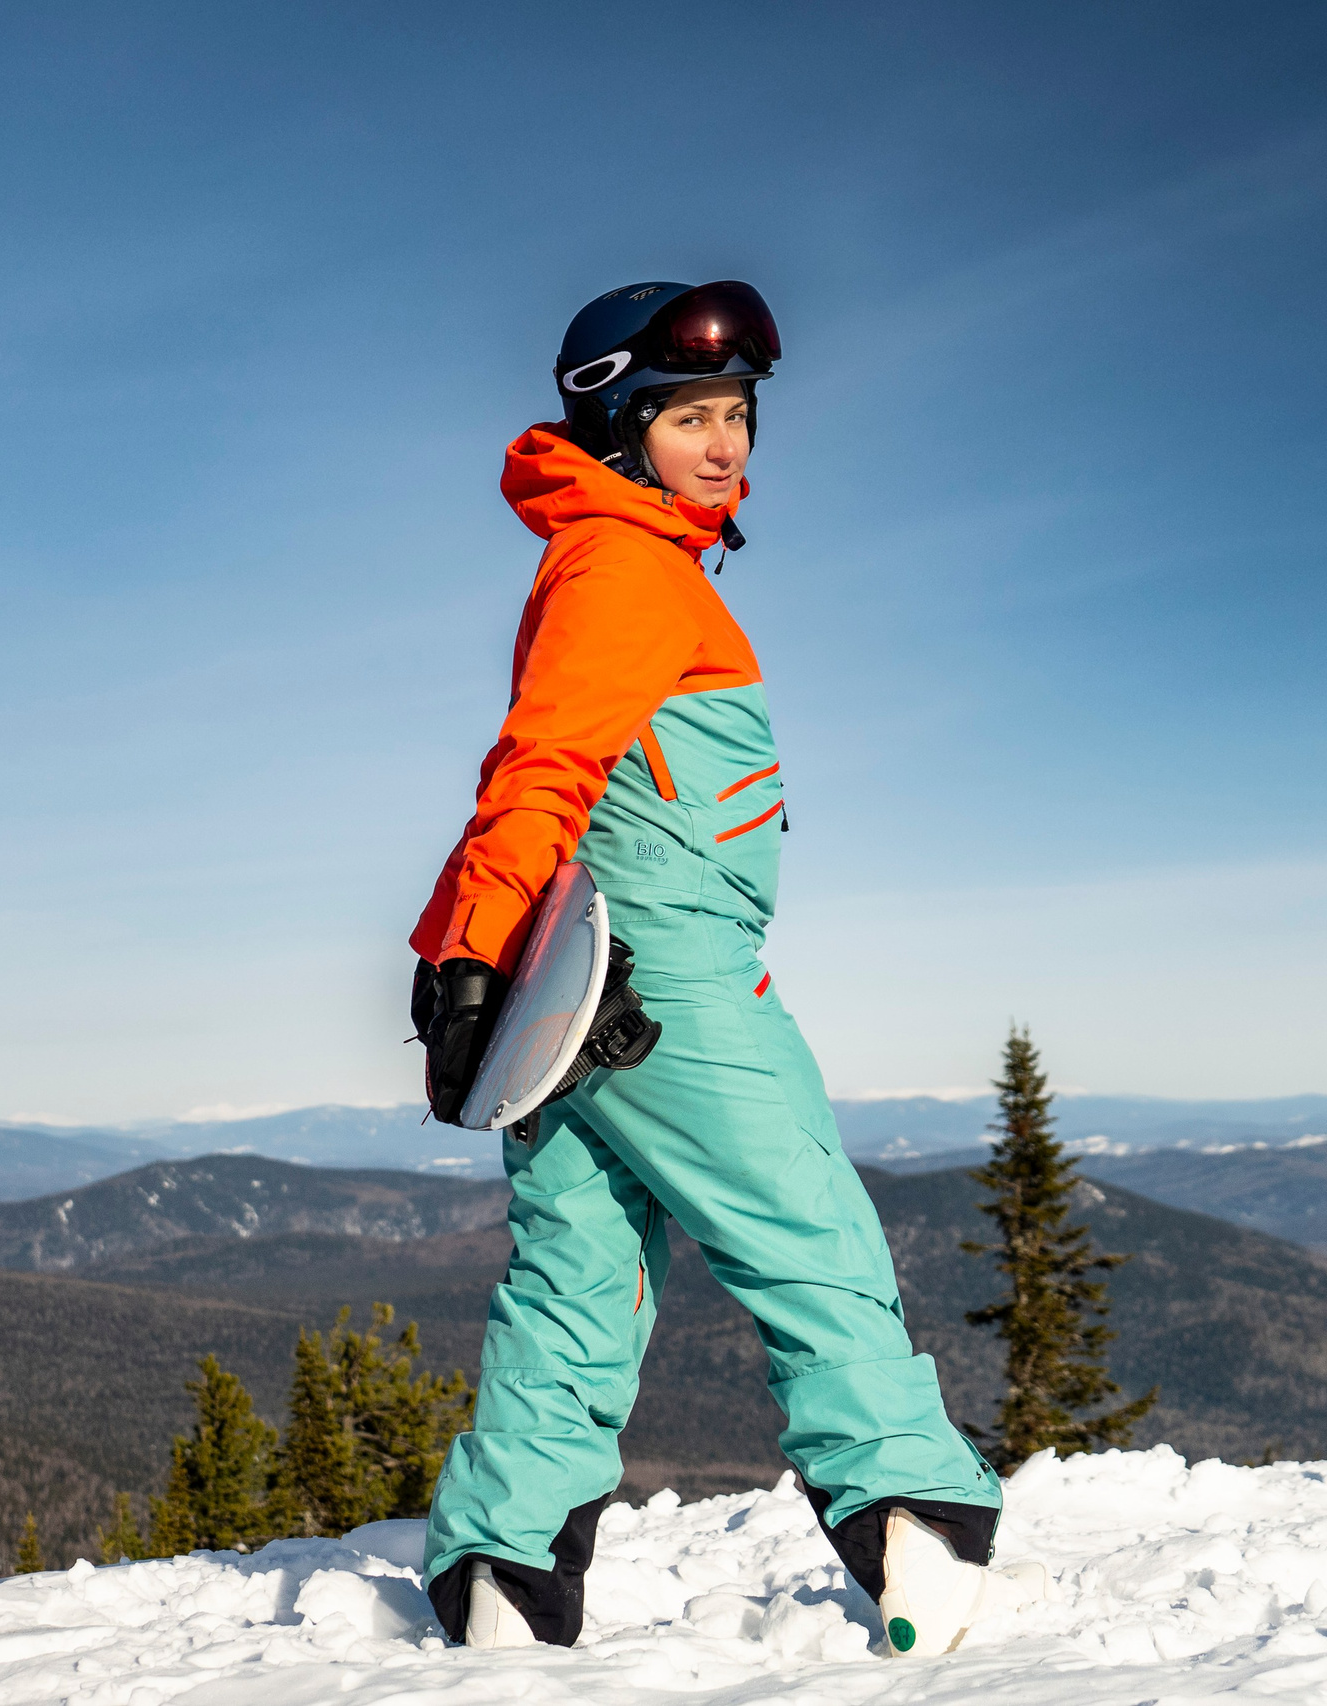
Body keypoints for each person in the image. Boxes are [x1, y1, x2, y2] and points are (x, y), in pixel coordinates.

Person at [406, 280, 1034, 1656]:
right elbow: (546, 765)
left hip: (575, 985)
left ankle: (503, 1581)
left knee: (579, 1270)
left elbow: (535, 765)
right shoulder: (627, 564)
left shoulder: (616, 558)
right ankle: (921, 1527)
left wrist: (476, 957)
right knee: (805, 1229)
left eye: (738, 414)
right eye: (691, 414)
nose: (727, 441)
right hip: (662, 975)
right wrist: (470, 948)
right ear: (624, 427)